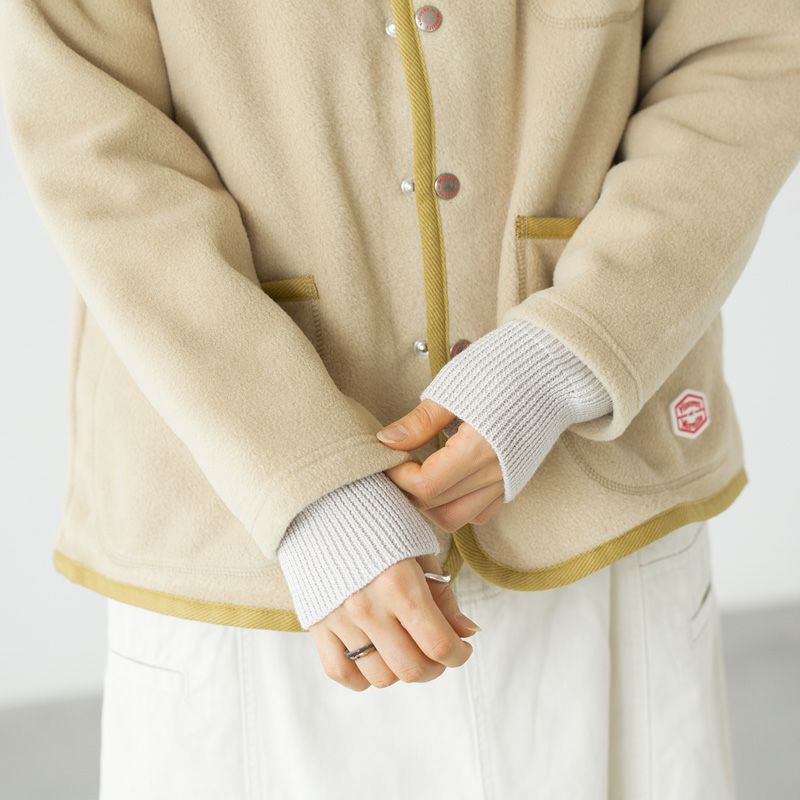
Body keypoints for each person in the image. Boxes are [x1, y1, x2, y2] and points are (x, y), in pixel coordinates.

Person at [1, 1, 797, 798]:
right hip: (235, 541)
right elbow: (89, 136)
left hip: (594, 493)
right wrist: (304, 481)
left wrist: (569, 353)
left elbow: (749, 47)